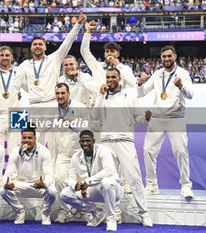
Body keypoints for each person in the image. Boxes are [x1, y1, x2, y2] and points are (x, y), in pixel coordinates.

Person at [91, 68, 153, 227]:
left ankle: (144, 214)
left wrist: (145, 118)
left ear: (119, 79)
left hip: (125, 141)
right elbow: (94, 116)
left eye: (113, 77)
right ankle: (115, 214)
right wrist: (100, 95)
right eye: (108, 77)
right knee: (109, 181)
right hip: (106, 142)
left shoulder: (130, 94)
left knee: (134, 178)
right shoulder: (102, 96)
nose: (110, 79)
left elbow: (138, 118)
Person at [19, 10, 86, 145]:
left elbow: (68, 42)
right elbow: (16, 79)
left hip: (52, 105)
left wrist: (78, 25)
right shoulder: (24, 65)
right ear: (31, 48)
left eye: (40, 44)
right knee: (36, 145)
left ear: (45, 47)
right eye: (35, 44)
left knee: (55, 144)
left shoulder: (54, 59)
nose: (37, 47)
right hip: (35, 107)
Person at [137, 45, 194, 198]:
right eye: (164, 57)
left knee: (181, 151)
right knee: (148, 150)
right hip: (157, 118)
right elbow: (141, 94)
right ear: (161, 58)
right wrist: (140, 83)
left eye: (169, 56)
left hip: (176, 118)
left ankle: (186, 185)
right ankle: (152, 184)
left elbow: (191, 95)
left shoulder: (182, 74)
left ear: (175, 56)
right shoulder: (157, 74)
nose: (167, 59)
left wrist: (181, 86)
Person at [60, 130, 123, 231]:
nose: (85, 144)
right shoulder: (76, 157)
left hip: (113, 190)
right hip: (92, 190)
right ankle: (96, 212)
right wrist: (75, 185)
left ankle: (111, 219)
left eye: (88, 141)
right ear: (79, 142)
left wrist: (87, 182)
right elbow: (71, 178)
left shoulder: (103, 150)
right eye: (82, 141)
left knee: (107, 182)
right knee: (64, 193)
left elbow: (109, 170)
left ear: (93, 141)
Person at [0, 126, 57, 225]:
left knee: (52, 191)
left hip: (38, 186)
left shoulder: (44, 151)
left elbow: (49, 175)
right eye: (24, 138)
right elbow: (8, 173)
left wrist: (44, 184)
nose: (26, 140)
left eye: (29, 138)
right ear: (21, 139)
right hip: (21, 184)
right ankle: (20, 211)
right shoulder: (16, 150)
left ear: (35, 138)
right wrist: (6, 183)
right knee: (3, 190)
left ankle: (45, 214)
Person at [52, 83, 89, 223]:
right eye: (57, 94)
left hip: (80, 154)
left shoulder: (80, 107)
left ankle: (87, 211)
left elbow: (89, 127)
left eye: (63, 93)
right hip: (63, 153)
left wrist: (73, 124)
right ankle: (62, 212)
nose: (60, 96)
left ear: (69, 93)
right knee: (59, 179)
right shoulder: (51, 110)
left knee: (84, 183)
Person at [0, 46, 26, 155]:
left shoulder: (20, 72)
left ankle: (15, 173)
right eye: (2, 55)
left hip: (16, 114)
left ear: (12, 57)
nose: (4, 58)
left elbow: (30, 87)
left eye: (7, 55)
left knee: (16, 149)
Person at [80, 21, 136, 89]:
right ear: (104, 54)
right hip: (99, 99)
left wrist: (117, 66)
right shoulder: (97, 66)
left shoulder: (125, 69)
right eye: (107, 51)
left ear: (117, 54)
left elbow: (132, 83)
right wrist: (88, 31)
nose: (109, 53)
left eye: (112, 51)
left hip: (117, 99)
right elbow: (84, 51)